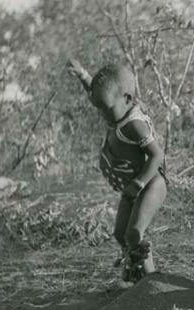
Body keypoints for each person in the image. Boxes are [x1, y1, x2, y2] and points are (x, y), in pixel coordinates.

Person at [67, 59, 167, 283]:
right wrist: (83, 75)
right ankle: (135, 272)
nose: (102, 113)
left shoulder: (133, 124)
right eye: (99, 108)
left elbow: (157, 155)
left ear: (128, 99)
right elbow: (100, 96)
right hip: (131, 188)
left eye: (105, 108)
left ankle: (151, 280)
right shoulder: (116, 110)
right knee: (120, 234)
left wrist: (139, 184)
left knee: (133, 233)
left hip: (150, 184)